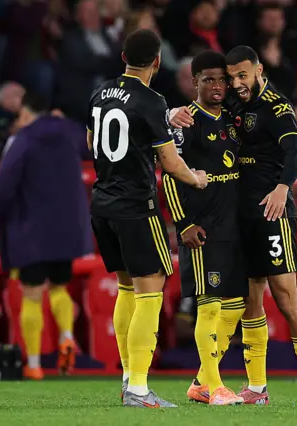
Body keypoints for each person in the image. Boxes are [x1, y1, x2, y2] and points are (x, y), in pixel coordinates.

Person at [171, 45, 297, 406]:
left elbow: (295, 153)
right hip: (239, 217)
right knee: (249, 303)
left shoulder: (277, 106)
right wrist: (172, 112)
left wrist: (282, 189)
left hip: (272, 215)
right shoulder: (232, 105)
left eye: (243, 75)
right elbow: (195, 112)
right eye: (232, 77)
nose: (237, 83)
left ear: (258, 70)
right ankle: (256, 387)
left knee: (288, 298)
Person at [87, 29, 208, 409]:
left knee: (128, 289)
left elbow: (93, 139)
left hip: (102, 203)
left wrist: (160, 121)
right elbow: (171, 163)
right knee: (151, 292)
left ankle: (128, 380)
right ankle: (139, 389)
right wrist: (196, 178)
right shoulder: (151, 99)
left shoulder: (100, 92)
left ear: (123, 56)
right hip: (137, 208)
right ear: (157, 61)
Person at [0, 92, 92, 381]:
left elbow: (5, 186)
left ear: (25, 113)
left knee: (32, 294)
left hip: (31, 230)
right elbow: (95, 150)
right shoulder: (71, 131)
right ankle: (67, 336)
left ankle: (33, 363)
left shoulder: (24, 140)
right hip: (68, 228)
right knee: (59, 288)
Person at [161, 50, 246, 406]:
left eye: (221, 79)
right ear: (194, 82)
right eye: (208, 79)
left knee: (237, 304)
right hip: (202, 228)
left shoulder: (231, 118)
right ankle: (213, 385)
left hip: (233, 227)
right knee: (207, 305)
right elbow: (168, 176)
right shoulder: (186, 122)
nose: (216, 86)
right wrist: (183, 223)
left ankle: (200, 380)